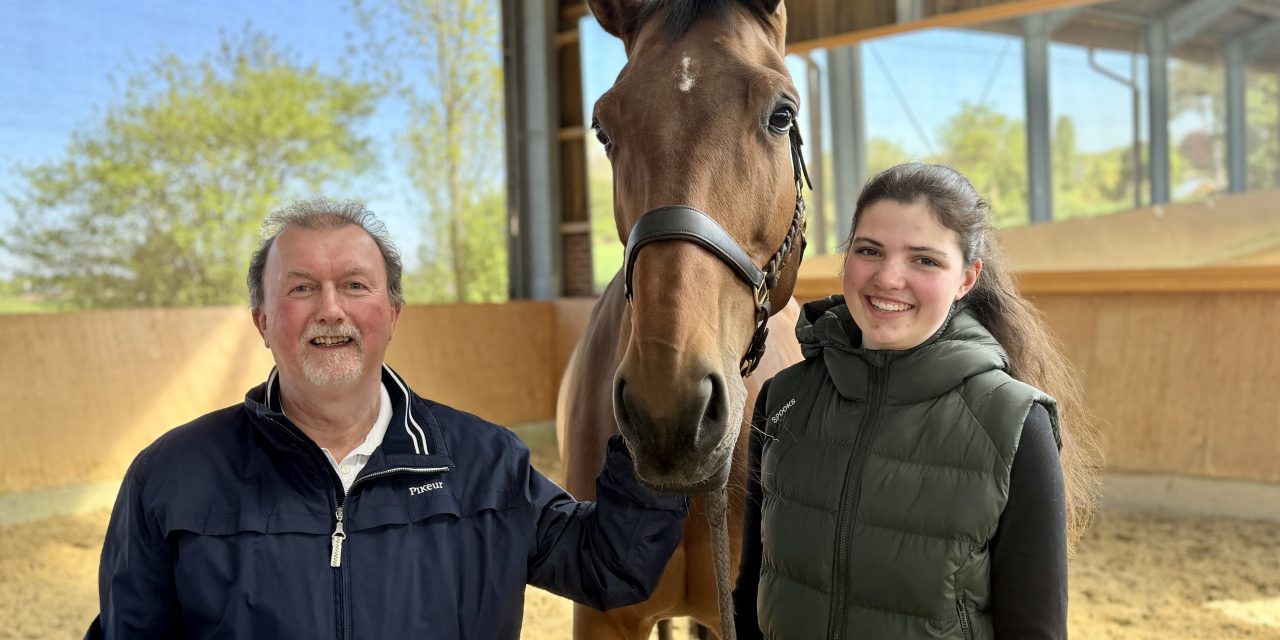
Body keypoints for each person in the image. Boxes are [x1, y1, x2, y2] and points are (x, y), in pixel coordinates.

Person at [86, 199, 688, 639]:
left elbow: (610, 566)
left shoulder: (487, 467)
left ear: (392, 313)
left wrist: (661, 422)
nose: (330, 310)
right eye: (300, 289)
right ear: (263, 321)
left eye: (354, 285)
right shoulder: (168, 479)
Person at [733, 163, 1100, 639]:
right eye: (869, 250)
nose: (888, 278)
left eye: (924, 259)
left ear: (967, 278)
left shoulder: (1014, 423)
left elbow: (1035, 628)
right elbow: (751, 590)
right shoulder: (785, 399)